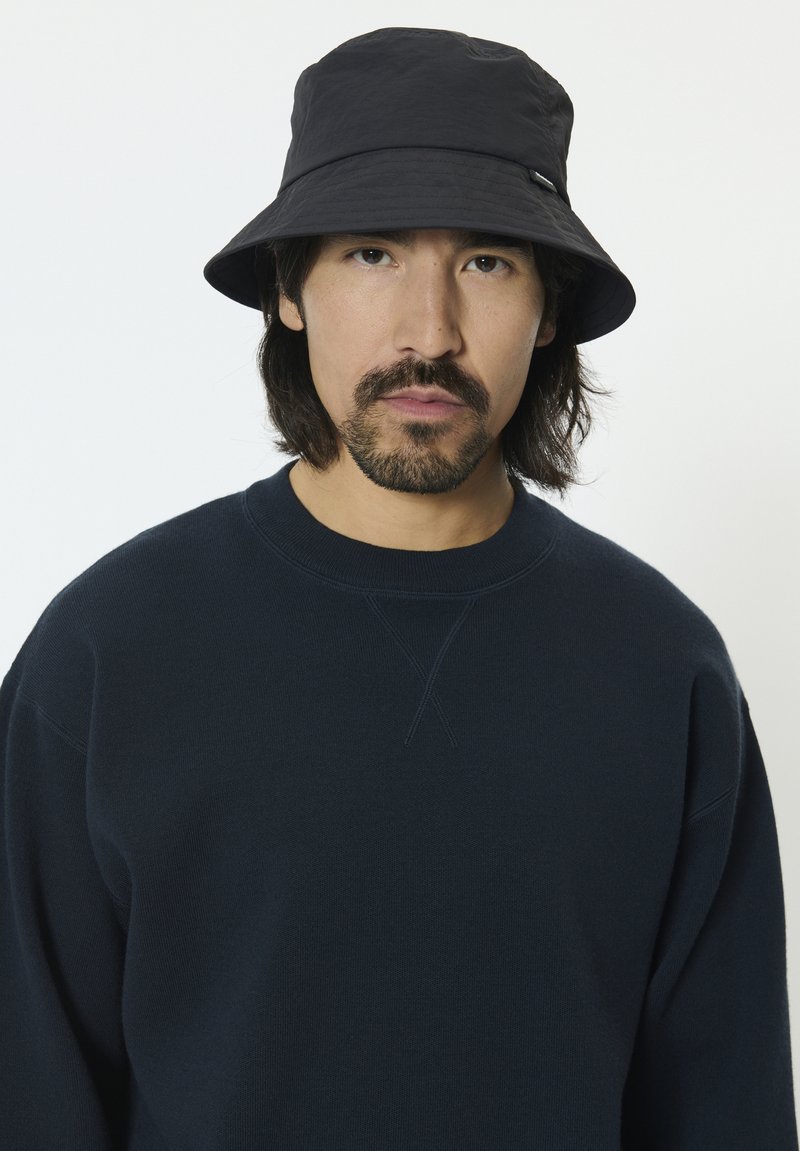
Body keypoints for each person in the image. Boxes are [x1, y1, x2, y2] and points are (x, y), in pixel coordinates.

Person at [0, 25, 796, 1149]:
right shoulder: (105, 656)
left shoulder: (662, 669)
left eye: (486, 262)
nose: (430, 332)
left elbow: (728, 1111)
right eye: (373, 253)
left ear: (549, 308)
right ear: (290, 289)